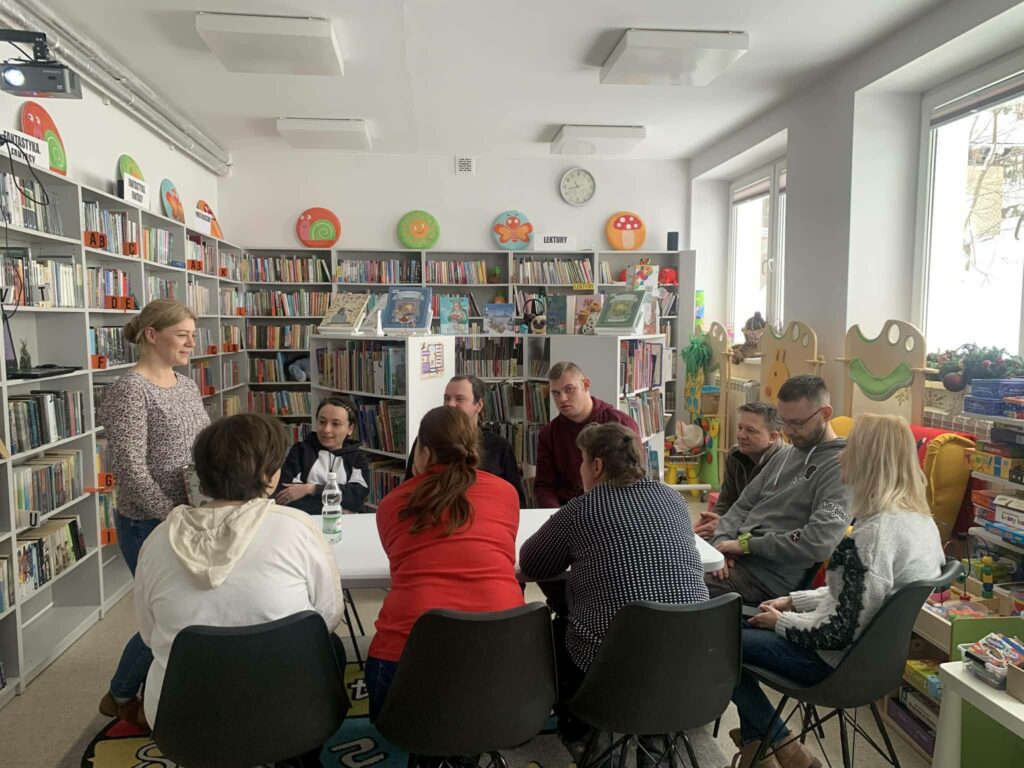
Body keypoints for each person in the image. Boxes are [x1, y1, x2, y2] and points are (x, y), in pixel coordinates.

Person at [727, 414, 945, 768]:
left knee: (720, 641)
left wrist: (782, 622)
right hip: (873, 664)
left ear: (868, 461)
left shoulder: (872, 537)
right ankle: (760, 747)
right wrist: (793, 600)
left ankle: (780, 745)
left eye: (850, 451)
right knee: (736, 625)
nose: (841, 457)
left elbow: (837, 630)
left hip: (833, 663)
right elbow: (859, 597)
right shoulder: (919, 522)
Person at [134, 414, 346, 749]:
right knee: (331, 647)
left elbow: (149, 633)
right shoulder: (296, 527)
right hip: (291, 715)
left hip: (181, 719)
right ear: (268, 475)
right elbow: (328, 617)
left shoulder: (158, 541)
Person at [520, 423, 709, 753]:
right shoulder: (673, 499)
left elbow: (532, 563)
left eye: (581, 460)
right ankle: (653, 739)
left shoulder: (582, 510)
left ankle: (583, 740)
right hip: (689, 664)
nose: (580, 469)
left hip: (609, 674)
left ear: (596, 465)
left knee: (546, 637)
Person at [366, 407, 524, 719]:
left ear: (423, 452)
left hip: (407, 667)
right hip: (504, 663)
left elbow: (398, 562)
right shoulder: (506, 494)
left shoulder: (391, 504)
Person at [97, 299, 210, 729]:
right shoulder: (130, 390)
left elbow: (201, 448)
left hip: (190, 515)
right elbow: (128, 468)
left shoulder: (185, 385)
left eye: (192, 335)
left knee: (188, 610)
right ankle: (121, 694)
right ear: (152, 335)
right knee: (165, 615)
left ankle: (161, 689)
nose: (190, 342)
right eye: (182, 334)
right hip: (148, 522)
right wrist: (171, 515)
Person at [708, 375, 848, 605]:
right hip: (736, 561)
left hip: (767, 580)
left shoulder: (841, 467)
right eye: (784, 422)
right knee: (660, 562)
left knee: (672, 583)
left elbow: (818, 542)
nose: (788, 432)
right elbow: (740, 507)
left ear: (825, 414)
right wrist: (720, 548)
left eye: (797, 423)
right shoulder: (784, 454)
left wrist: (745, 545)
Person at [403, 374, 526, 506]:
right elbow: (408, 490)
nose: (450, 404)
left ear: (478, 405)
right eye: (447, 398)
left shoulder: (499, 447)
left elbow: (517, 501)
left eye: (459, 399)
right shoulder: (427, 439)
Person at [534, 361, 640, 508]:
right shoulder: (548, 434)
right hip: (567, 510)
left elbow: (637, 476)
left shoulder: (621, 423)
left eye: (569, 389)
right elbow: (544, 486)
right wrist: (557, 515)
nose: (562, 399)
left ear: (586, 385)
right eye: (556, 393)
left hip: (616, 507)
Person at [695, 403, 786, 539]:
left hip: (766, 537)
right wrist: (712, 520)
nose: (741, 435)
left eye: (751, 430)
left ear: (772, 437)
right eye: (740, 428)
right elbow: (726, 500)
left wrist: (725, 528)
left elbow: (774, 519)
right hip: (736, 528)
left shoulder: (786, 462)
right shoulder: (734, 454)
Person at [276, 395, 369, 514]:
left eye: (335, 424)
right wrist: (340, 507)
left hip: (347, 526)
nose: (326, 429)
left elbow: (356, 498)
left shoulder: (358, 459)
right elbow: (286, 498)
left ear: (350, 428)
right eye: (322, 422)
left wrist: (310, 489)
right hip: (307, 524)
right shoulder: (300, 451)